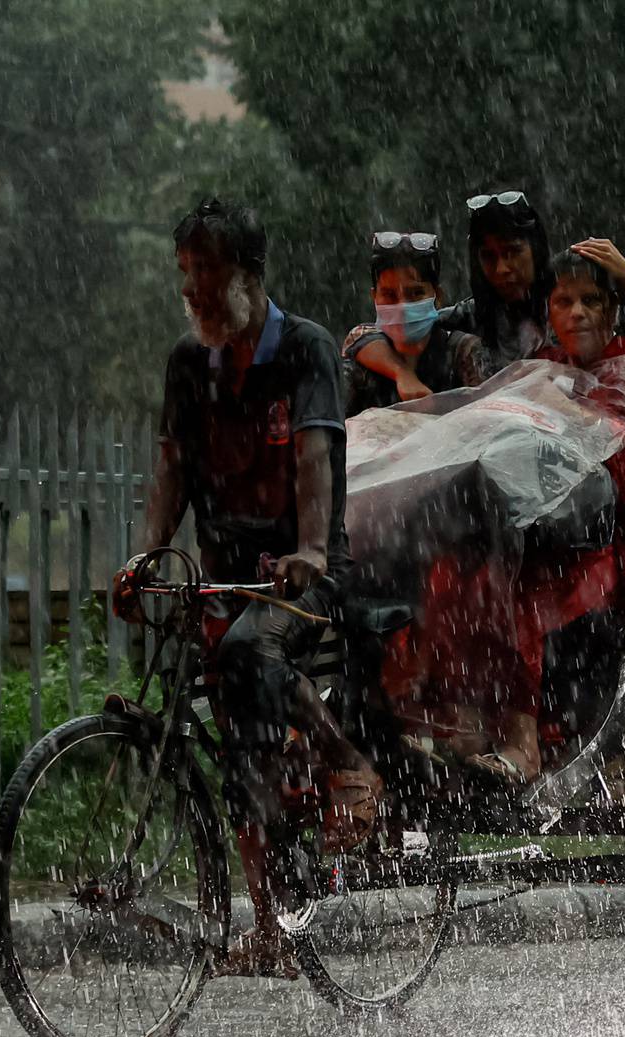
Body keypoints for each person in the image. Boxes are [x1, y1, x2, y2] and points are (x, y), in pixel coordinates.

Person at [120, 195, 382, 978]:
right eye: (185, 273)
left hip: (301, 576)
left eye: (210, 271)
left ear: (249, 274)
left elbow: (312, 457)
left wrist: (308, 548)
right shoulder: (186, 362)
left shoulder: (303, 351)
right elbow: (171, 464)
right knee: (239, 753)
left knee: (245, 656)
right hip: (224, 574)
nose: (194, 288)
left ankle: (346, 757)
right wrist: (145, 557)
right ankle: (269, 927)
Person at [439, 248, 625, 783]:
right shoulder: (546, 366)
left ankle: (526, 742)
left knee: (527, 600)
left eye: (591, 300)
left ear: (613, 310)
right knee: (459, 581)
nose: (577, 313)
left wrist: (574, 442)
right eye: (564, 301)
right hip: (551, 533)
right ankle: (467, 721)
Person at [349, 190, 625, 390]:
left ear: (536, 250)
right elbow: (366, 335)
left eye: (512, 252)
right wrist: (400, 374)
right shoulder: (472, 316)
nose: (501, 269)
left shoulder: (576, 303)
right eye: (489, 257)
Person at [341, 230, 488, 414]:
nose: (402, 306)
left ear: (437, 296)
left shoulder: (463, 353)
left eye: (416, 293)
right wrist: (402, 373)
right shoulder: (362, 368)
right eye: (389, 295)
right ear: (374, 297)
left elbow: (489, 420)